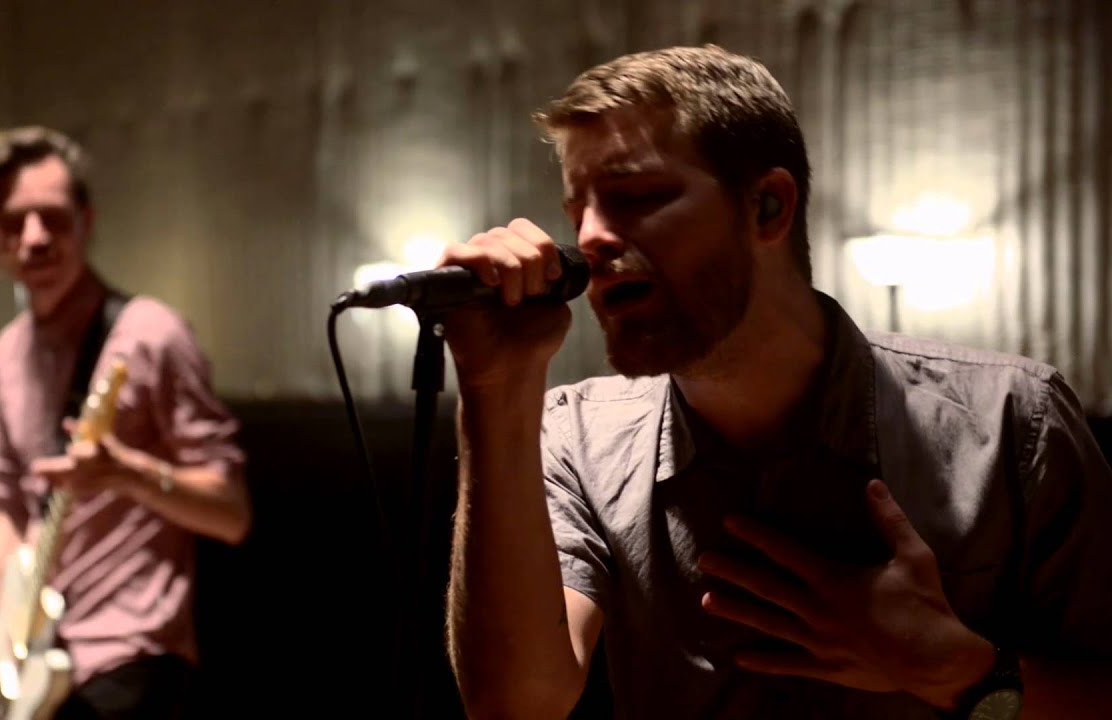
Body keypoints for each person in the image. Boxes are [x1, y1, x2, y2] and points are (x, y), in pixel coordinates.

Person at [440, 45, 1112, 719]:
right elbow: (515, 705)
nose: (589, 238)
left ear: (767, 207)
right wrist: (493, 385)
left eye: (637, 198)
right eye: (576, 211)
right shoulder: (578, 437)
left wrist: (959, 672)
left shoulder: (1013, 421)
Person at [0, 126, 252, 720]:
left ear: (85, 221)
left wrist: (129, 474)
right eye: (14, 221)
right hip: (33, 655)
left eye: (53, 217)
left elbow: (232, 513)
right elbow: (15, 508)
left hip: (133, 653)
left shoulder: (151, 334)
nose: (35, 237)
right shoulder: (6, 353)